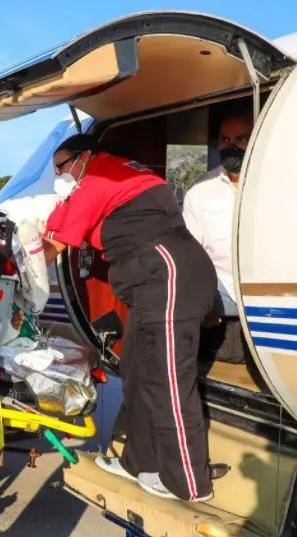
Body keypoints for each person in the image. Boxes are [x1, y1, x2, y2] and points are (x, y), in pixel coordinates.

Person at [42, 134, 217, 502]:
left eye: (62, 165)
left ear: (85, 157)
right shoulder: (97, 182)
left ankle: (187, 481)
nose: (59, 173)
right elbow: (53, 227)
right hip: (149, 286)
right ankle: (139, 462)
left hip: (169, 277)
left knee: (168, 379)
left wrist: (9, 270)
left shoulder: (103, 176)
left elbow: (54, 245)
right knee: (137, 373)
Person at [183, 113, 254, 365]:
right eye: (225, 139)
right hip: (222, 297)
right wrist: (203, 304)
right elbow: (190, 257)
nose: (232, 146)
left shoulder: (279, 182)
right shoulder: (200, 192)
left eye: (241, 138)